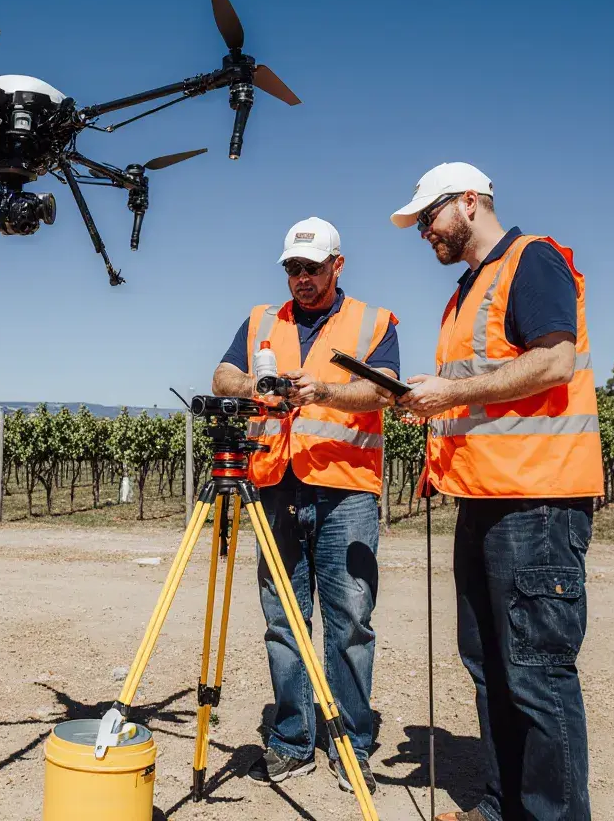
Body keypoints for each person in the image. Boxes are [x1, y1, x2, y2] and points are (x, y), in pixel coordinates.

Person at [390, 163, 604, 821]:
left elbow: (553, 360)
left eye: (430, 217)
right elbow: (480, 392)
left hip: (537, 501)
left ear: (472, 200)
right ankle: (501, 806)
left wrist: (447, 392)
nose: (424, 231)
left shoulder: (530, 260)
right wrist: (429, 405)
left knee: (536, 673)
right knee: (489, 666)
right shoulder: (465, 294)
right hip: (482, 500)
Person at [212, 216, 401, 794]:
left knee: (348, 621)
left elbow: (385, 389)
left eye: (311, 269)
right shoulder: (262, 321)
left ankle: (351, 743)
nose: (301, 279)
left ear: (336, 267)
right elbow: (222, 375)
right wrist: (255, 389)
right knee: (283, 619)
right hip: (275, 483)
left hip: (345, 488)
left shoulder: (373, 320)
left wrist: (325, 392)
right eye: (292, 269)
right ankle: (292, 738)